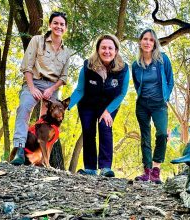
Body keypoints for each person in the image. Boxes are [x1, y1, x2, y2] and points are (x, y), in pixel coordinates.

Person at [10, 12, 71, 165]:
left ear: (65, 28)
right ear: (50, 25)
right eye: (55, 23)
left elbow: (63, 77)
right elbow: (27, 67)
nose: (58, 26)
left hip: (52, 87)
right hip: (34, 82)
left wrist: (52, 90)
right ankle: (19, 151)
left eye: (62, 24)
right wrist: (32, 88)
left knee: (46, 125)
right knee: (24, 109)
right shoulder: (37, 40)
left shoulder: (66, 51)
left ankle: (42, 160)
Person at [69, 34, 129, 177]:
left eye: (110, 48)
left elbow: (121, 94)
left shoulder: (124, 68)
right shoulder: (88, 65)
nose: (106, 51)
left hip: (109, 104)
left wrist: (108, 111)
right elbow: (80, 89)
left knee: (105, 127)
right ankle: (90, 168)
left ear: (116, 51)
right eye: (103, 48)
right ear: (97, 49)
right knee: (88, 131)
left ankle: (105, 167)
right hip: (88, 103)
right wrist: (66, 106)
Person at [132, 29, 174, 184]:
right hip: (142, 104)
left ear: (155, 42)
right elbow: (137, 85)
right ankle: (147, 172)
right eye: (145, 39)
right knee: (145, 137)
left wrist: (166, 97)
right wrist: (143, 96)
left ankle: (156, 171)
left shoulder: (163, 60)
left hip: (159, 104)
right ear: (140, 42)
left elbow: (170, 81)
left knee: (162, 134)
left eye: (151, 39)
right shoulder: (136, 65)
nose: (147, 42)